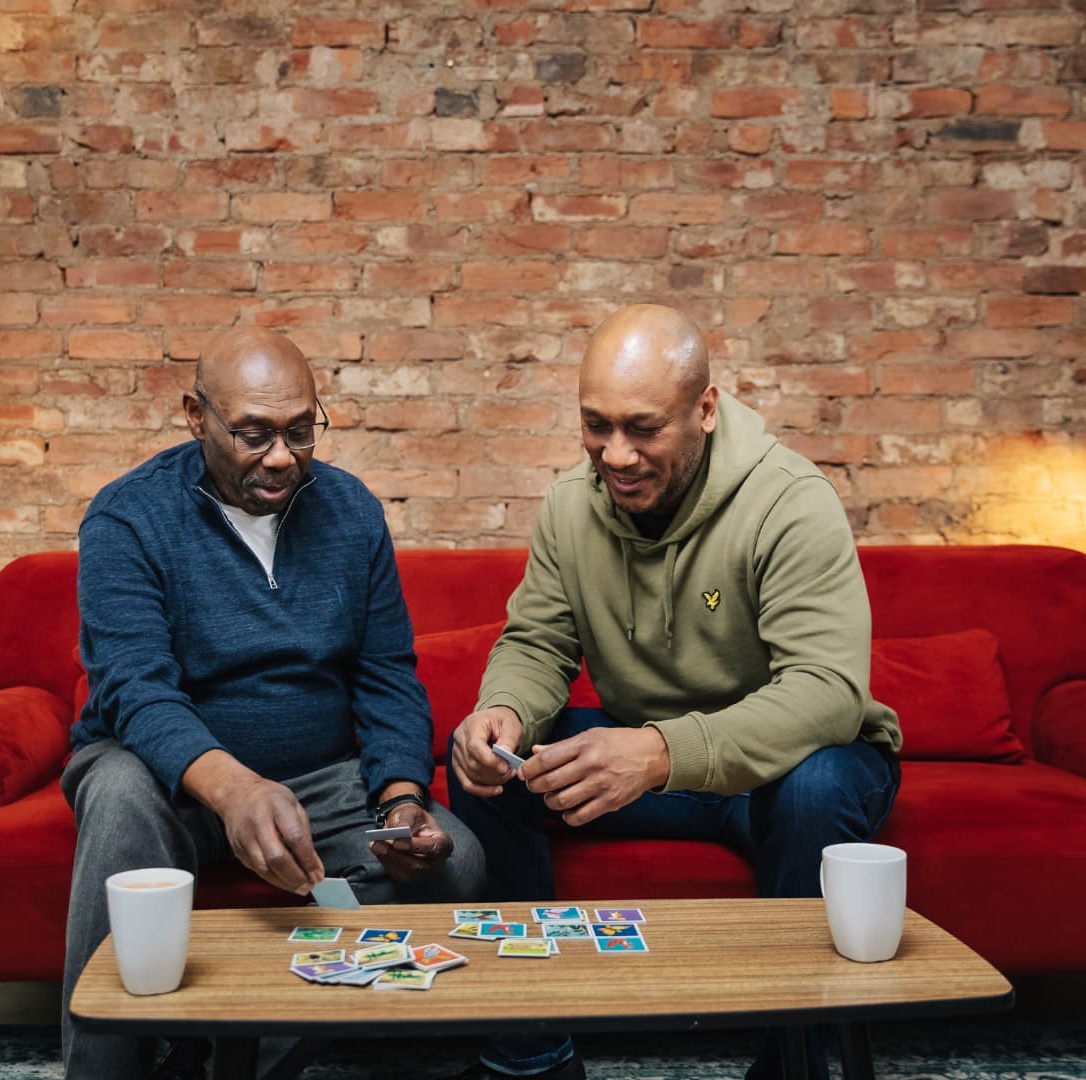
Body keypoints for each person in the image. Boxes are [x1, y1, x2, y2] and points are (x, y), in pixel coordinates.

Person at [448, 304, 901, 1080]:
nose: (615, 454)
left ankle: (796, 1060)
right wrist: (507, 712)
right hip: (647, 754)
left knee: (819, 784)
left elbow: (827, 692)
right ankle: (530, 1054)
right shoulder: (569, 506)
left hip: (784, 766)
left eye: (643, 428)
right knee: (485, 773)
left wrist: (660, 753)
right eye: (596, 425)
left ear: (706, 408)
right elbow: (538, 643)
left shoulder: (790, 500)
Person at [62, 326, 486, 1080]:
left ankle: (242, 1055)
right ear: (197, 416)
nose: (283, 457)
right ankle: (108, 1069)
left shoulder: (350, 511)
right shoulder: (127, 517)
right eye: (254, 435)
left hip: (319, 781)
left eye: (301, 431)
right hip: (168, 784)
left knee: (457, 863)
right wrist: (234, 789)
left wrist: (400, 798)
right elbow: (133, 687)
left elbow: (386, 671)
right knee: (119, 793)